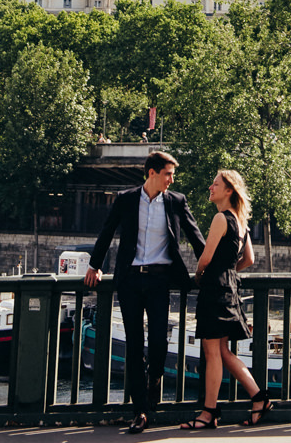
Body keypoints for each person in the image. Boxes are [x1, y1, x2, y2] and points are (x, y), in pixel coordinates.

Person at [86, 151, 206, 434]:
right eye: (167, 174)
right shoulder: (126, 199)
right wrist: (94, 265)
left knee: (158, 343)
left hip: (160, 280)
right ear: (151, 173)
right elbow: (107, 232)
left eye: (172, 175)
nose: (171, 179)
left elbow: (195, 235)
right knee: (134, 344)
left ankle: (155, 378)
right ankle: (140, 410)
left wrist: (213, 265)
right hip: (129, 280)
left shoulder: (176, 202)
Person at [181, 169, 273, 431]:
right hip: (230, 289)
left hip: (214, 290)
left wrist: (201, 276)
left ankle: (209, 413)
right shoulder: (241, 222)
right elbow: (249, 260)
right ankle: (259, 398)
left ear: (229, 190)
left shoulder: (221, 218)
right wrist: (228, 271)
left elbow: (205, 258)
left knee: (212, 353)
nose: (211, 187)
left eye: (215, 184)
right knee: (222, 351)